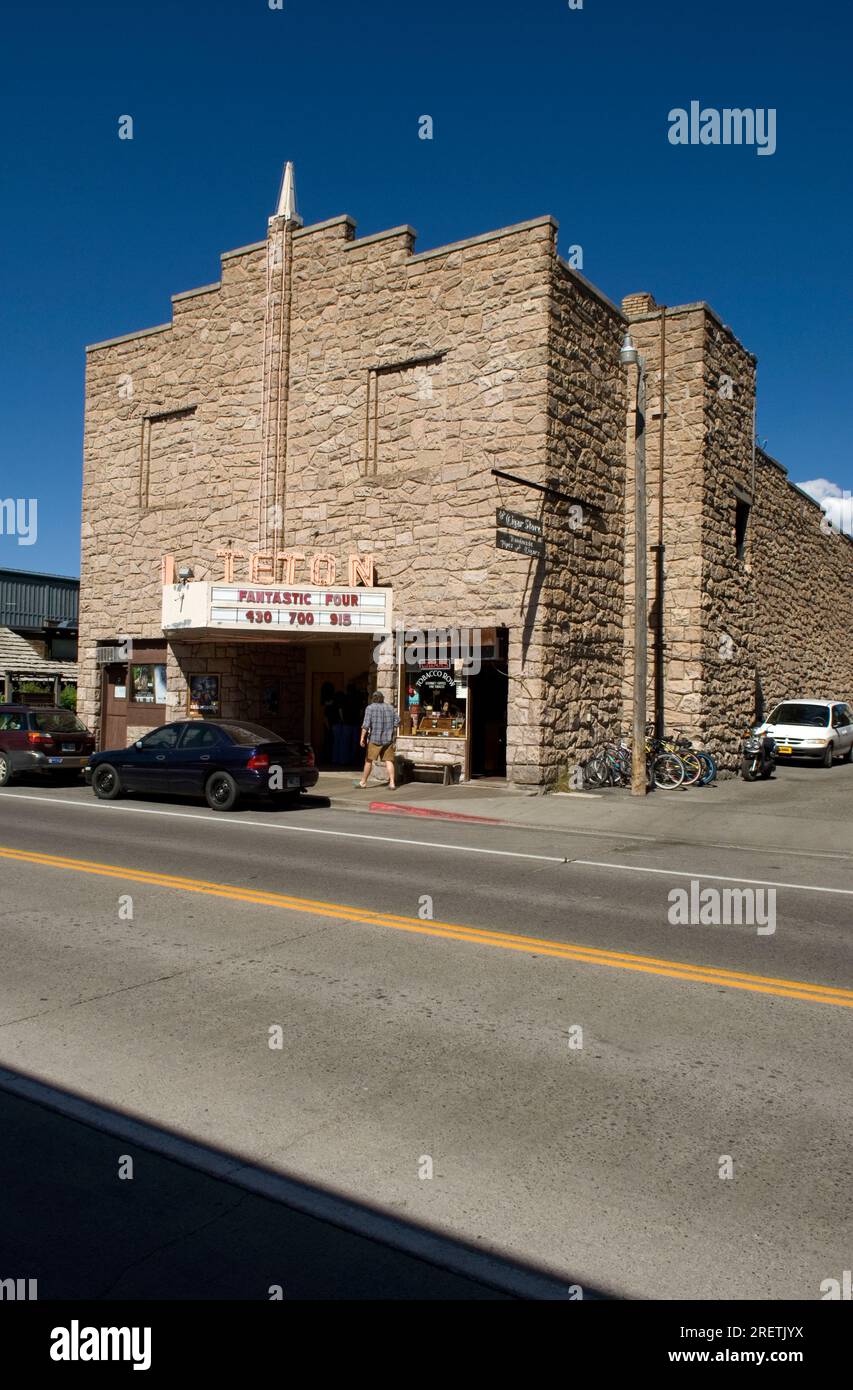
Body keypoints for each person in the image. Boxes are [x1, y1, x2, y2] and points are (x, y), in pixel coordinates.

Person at [357, 691, 400, 790]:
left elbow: (366, 725)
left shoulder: (370, 708)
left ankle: (363, 782)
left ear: (373, 698)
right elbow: (398, 720)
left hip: (374, 739)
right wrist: (391, 729)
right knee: (389, 761)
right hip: (388, 739)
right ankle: (392, 783)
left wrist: (362, 738)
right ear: (382, 698)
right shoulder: (390, 707)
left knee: (368, 760)